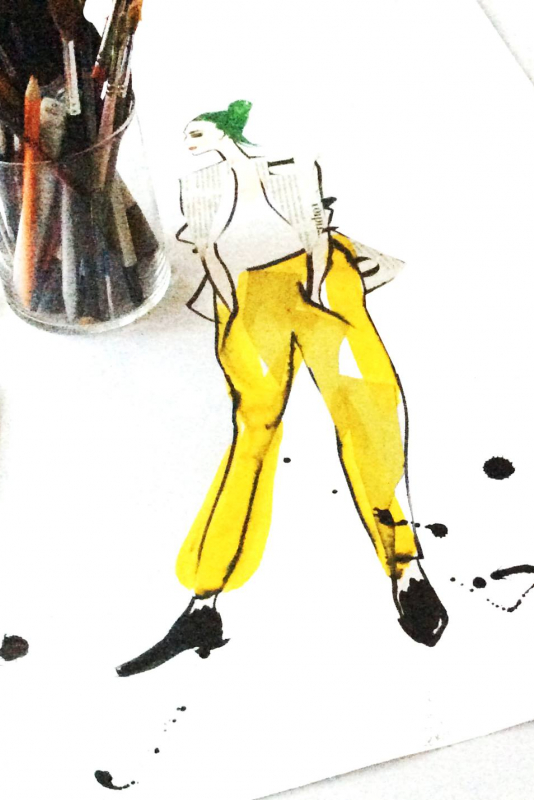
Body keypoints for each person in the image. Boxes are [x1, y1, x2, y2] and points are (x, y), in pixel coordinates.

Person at [116, 100, 448, 678]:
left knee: (367, 411)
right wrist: (230, 314)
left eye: (198, 131)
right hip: (250, 299)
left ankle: (406, 568)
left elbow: (315, 234)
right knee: (254, 428)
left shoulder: (292, 167)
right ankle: (204, 600)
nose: (190, 141)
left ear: (226, 131)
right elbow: (210, 256)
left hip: (323, 285)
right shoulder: (197, 187)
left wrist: (319, 293)